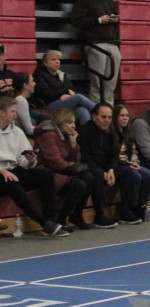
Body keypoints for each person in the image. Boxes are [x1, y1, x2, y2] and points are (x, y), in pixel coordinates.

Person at [0, 96, 68, 236]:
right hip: (1, 174)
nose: (15, 115)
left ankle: (50, 219)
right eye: (12, 111)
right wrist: (2, 171)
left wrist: (30, 160)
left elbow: (22, 160)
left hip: (13, 169)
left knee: (45, 176)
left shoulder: (17, 131)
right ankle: (44, 223)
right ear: (2, 112)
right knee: (12, 182)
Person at [33, 109, 101, 230]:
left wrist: (74, 145)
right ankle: (62, 219)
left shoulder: (65, 135)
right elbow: (55, 161)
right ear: (61, 123)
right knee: (78, 184)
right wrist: (74, 167)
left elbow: (75, 160)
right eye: (70, 122)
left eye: (74, 122)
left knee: (89, 177)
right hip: (47, 172)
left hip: (62, 170)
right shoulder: (48, 135)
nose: (74, 126)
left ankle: (76, 215)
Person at [78, 103, 133, 228]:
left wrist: (111, 170)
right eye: (103, 117)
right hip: (89, 166)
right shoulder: (84, 132)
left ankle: (125, 210)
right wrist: (103, 172)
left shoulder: (111, 132)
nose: (107, 120)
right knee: (97, 174)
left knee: (127, 171)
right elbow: (84, 158)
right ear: (94, 117)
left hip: (106, 166)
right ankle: (100, 214)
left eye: (109, 117)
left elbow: (114, 154)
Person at [70, 0, 120, 104]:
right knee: (97, 81)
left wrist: (114, 19)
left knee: (111, 81)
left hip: (110, 42)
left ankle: (108, 108)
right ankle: (97, 107)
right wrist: (98, 20)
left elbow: (115, 15)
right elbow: (77, 21)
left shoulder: (109, 1)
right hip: (94, 42)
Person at [111, 103, 150, 224]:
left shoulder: (128, 133)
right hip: (117, 165)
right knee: (135, 175)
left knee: (148, 175)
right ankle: (125, 210)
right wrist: (128, 164)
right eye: (121, 116)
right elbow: (112, 155)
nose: (125, 118)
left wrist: (135, 162)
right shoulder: (111, 134)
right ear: (115, 117)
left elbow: (134, 151)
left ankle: (139, 206)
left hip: (129, 163)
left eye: (127, 116)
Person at [33, 50, 95, 125]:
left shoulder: (60, 74)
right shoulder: (39, 74)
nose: (57, 62)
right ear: (45, 62)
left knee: (82, 110)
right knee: (78, 98)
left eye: (59, 59)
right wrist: (65, 92)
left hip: (64, 103)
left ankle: (88, 132)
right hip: (48, 106)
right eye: (53, 59)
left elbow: (73, 91)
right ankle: (100, 111)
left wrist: (68, 96)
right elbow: (47, 94)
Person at [11, 71, 45, 137]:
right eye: (32, 81)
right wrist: (45, 129)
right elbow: (29, 131)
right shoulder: (21, 101)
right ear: (25, 85)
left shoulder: (20, 99)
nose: (35, 83)